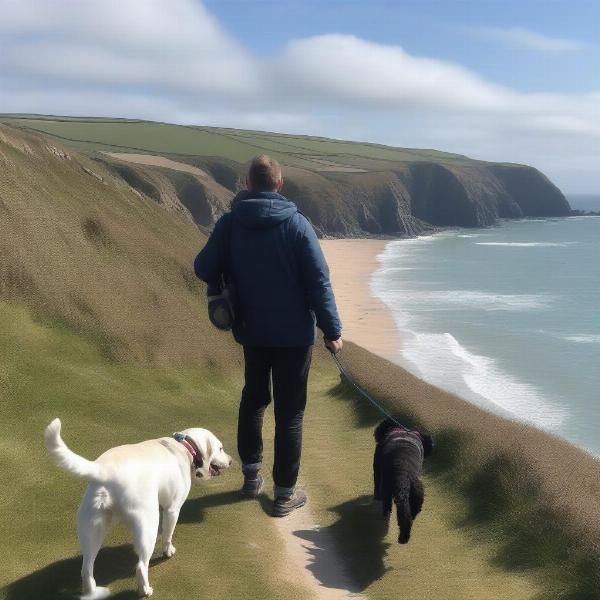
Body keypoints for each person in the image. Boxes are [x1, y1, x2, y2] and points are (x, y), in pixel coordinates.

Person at [194, 154, 342, 517]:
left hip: (252, 332)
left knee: (254, 399)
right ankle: (284, 495)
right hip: (294, 337)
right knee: (290, 414)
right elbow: (318, 283)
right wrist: (332, 330)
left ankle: (250, 478)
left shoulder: (230, 224)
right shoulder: (297, 226)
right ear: (279, 184)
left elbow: (202, 267)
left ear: (247, 184)